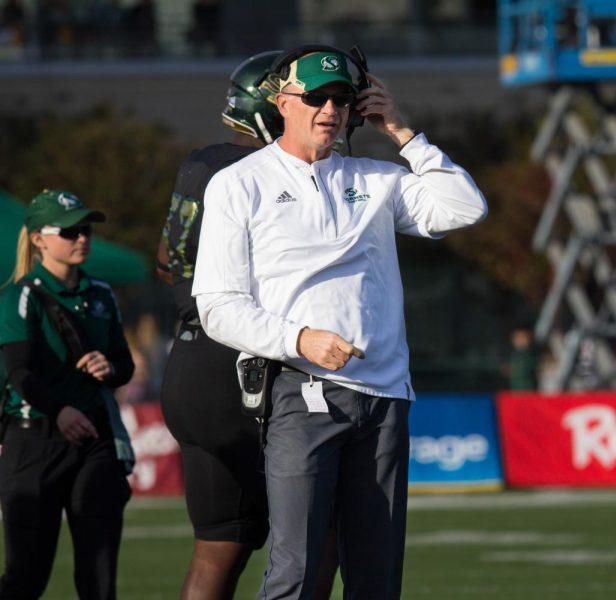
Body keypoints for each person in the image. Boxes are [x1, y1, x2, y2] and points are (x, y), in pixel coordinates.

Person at [192, 45, 487, 599]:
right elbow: (218, 304)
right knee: (296, 571)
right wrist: (298, 339)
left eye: (343, 99)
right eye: (316, 98)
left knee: (376, 578)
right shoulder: (239, 182)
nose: (330, 109)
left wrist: (401, 130)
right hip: (300, 394)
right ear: (283, 102)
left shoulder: (377, 178)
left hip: (385, 401)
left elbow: (464, 207)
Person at [158, 51, 338, 600]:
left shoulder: (200, 163)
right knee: (320, 537)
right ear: (273, 107)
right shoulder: (259, 175)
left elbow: (168, 261)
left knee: (219, 548)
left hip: (190, 359)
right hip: (248, 362)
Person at [0, 189, 135, 599]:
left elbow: (124, 365)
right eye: (71, 230)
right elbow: (19, 373)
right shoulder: (20, 296)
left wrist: (108, 368)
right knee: (27, 576)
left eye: (86, 229)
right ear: (39, 238)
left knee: (98, 576)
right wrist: (59, 411)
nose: (82, 238)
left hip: (93, 440)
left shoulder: (101, 293)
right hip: (36, 439)